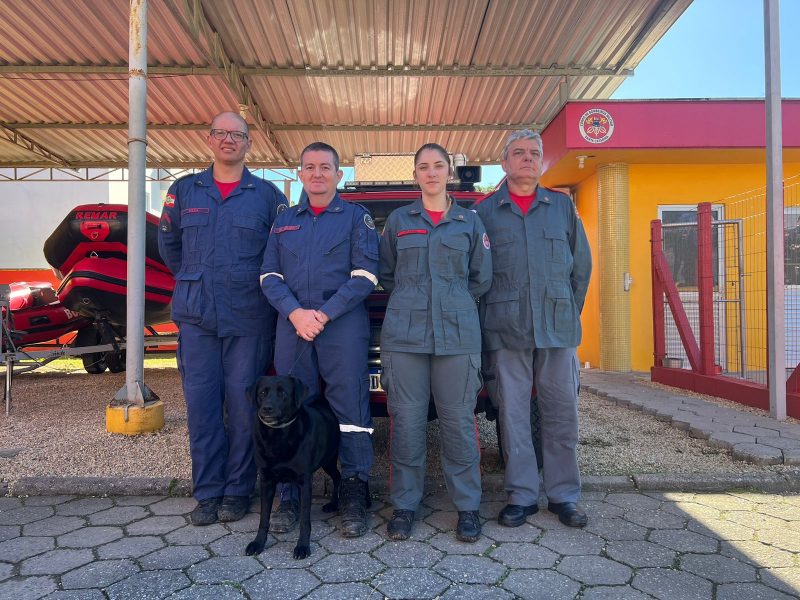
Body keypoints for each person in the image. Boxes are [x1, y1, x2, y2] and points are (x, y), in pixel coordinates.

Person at [158, 111, 288, 526]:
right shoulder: (184, 190)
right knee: (202, 410)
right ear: (209, 139)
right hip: (197, 319)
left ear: (249, 143)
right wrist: (196, 280)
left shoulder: (267, 196)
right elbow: (170, 246)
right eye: (221, 133)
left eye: (238, 135)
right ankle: (208, 493)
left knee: (244, 409)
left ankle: (236, 491)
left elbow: (279, 253)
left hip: (249, 317)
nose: (229, 140)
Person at [260, 142, 379, 538]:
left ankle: (354, 493)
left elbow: (365, 276)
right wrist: (296, 313)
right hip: (293, 326)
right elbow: (269, 276)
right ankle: (291, 496)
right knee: (291, 409)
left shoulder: (354, 218)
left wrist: (323, 314)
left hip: (341, 325)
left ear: (338, 174)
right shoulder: (284, 221)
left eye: (325, 167)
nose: (317, 174)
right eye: (309, 167)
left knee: (352, 411)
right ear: (299, 174)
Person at [474, 129, 592, 528]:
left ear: (541, 163)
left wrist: (565, 310)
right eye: (518, 153)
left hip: (557, 331)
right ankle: (521, 496)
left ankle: (564, 496)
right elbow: (478, 277)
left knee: (562, 413)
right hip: (506, 332)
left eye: (534, 153)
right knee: (513, 415)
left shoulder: (561, 207)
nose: (527, 159)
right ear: (504, 162)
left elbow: (581, 268)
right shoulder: (485, 212)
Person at [379, 143, 492, 542]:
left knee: (459, 424)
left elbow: (481, 278)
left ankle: (467, 509)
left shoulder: (469, 222)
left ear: (449, 173)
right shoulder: (398, 220)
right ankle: (405, 506)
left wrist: (450, 300)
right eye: (423, 167)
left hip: (458, 336)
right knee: (406, 424)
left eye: (438, 166)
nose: (430, 173)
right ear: (415, 175)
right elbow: (387, 274)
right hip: (404, 338)